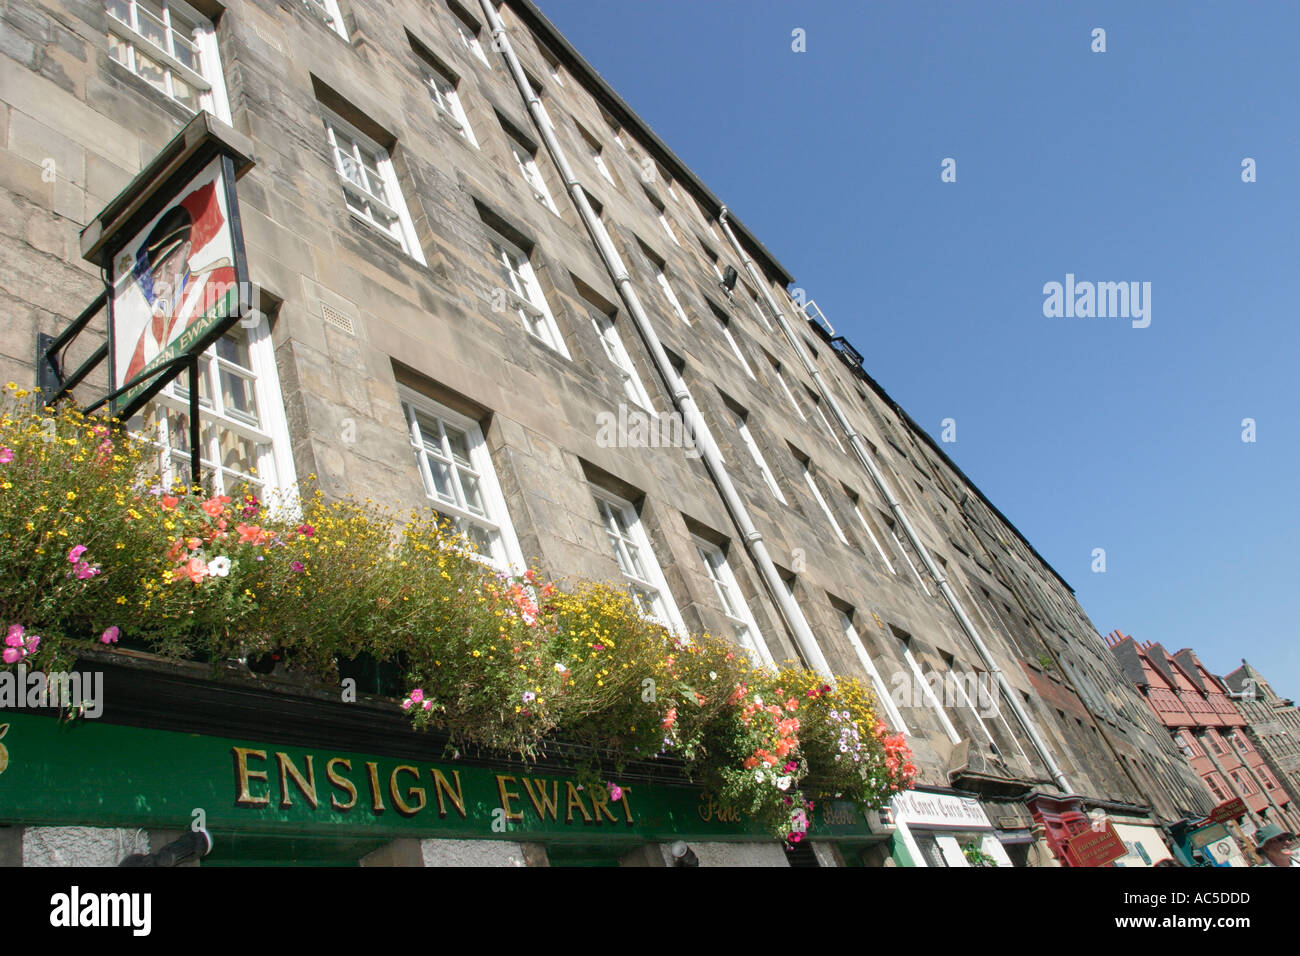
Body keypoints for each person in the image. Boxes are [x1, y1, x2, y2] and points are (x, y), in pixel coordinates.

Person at [122, 180, 235, 386]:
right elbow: (129, 384)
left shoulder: (218, 279)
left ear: (185, 250)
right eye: (157, 273)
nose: (163, 279)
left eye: (168, 265)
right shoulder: (153, 323)